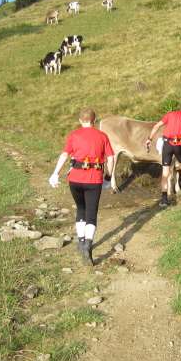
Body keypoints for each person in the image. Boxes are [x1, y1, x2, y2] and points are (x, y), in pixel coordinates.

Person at [49, 108, 115, 266]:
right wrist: (107, 177)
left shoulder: (74, 135)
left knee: (80, 209)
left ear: (80, 120)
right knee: (91, 213)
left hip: (75, 179)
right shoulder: (102, 136)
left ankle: (81, 241)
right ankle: (88, 246)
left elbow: (64, 155)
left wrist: (55, 173)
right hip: (94, 180)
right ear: (95, 120)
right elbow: (111, 158)